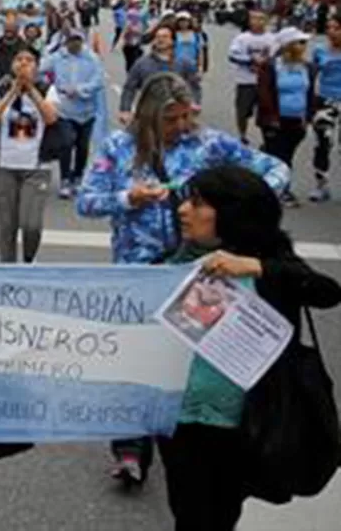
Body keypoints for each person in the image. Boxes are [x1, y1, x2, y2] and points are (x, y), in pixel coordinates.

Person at [77, 73, 289, 484]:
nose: (179, 127)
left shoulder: (210, 145)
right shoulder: (119, 148)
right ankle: (129, 447)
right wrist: (128, 198)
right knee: (136, 361)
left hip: (200, 274)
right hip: (138, 276)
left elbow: (273, 169)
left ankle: (192, 442)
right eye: (169, 120)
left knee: (188, 362)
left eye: (184, 117)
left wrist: (247, 202)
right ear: (148, 117)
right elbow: (87, 201)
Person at [158, 165, 341, 531]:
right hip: (179, 420)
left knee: (220, 513)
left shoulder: (268, 261)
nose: (183, 210)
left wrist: (256, 267)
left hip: (244, 422)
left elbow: (326, 291)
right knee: (188, 512)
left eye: (197, 204)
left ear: (231, 211)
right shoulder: (177, 260)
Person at [0, 47, 60, 263]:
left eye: (29, 60)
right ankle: (7, 269)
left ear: (37, 66)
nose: (24, 63)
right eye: (19, 59)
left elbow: (51, 117)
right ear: (12, 65)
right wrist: (13, 92)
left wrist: (31, 90)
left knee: (31, 224)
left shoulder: (47, 89)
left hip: (36, 167)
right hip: (3, 166)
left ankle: (28, 259)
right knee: (7, 225)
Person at [256, 27, 313, 207]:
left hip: (297, 120)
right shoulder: (272, 66)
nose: (304, 46)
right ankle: (280, 191)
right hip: (275, 120)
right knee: (280, 157)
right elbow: (264, 93)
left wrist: (308, 116)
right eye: (300, 42)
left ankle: (276, 187)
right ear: (288, 45)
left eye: (305, 42)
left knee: (287, 155)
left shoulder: (307, 67)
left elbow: (309, 93)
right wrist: (272, 118)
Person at [44, 30, 104, 198]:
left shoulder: (91, 58)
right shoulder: (57, 58)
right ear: (66, 42)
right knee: (66, 142)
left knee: (82, 146)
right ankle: (65, 179)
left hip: (86, 110)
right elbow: (40, 68)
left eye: (77, 41)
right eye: (71, 41)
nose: (74, 44)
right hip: (64, 110)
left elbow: (98, 81)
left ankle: (77, 176)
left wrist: (80, 90)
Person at [119, 24, 202, 122]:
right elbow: (129, 88)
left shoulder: (184, 63)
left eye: (165, 37)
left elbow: (194, 85)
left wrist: (195, 103)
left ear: (173, 41)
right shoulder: (142, 63)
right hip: (150, 115)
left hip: (177, 116)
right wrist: (125, 109)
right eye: (157, 37)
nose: (160, 40)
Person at [228, 9, 273, 145]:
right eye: (254, 18)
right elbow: (233, 55)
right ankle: (242, 134)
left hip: (265, 82)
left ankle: (268, 137)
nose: (257, 22)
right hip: (246, 80)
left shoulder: (272, 39)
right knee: (242, 111)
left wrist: (266, 62)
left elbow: (278, 56)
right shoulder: (242, 38)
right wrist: (250, 60)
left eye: (261, 19)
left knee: (267, 111)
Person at [310, 16, 341, 202]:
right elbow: (312, 74)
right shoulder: (319, 50)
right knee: (322, 142)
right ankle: (321, 185)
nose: (331, 31)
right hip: (325, 100)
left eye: (336, 28)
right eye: (329, 27)